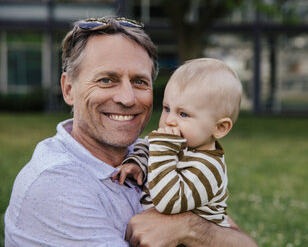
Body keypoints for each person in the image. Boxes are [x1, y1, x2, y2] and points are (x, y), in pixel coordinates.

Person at [4, 16, 258, 247]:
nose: (127, 98)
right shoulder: (57, 184)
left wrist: (190, 228)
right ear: (69, 89)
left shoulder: (166, 154)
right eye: (106, 80)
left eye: (139, 81)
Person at [117, 58, 241, 228]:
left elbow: (168, 202)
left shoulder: (208, 169)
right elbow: (147, 144)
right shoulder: (173, 145)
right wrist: (137, 162)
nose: (169, 120)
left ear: (219, 127)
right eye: (167, 109)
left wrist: (164, 151)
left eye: (183, 114)